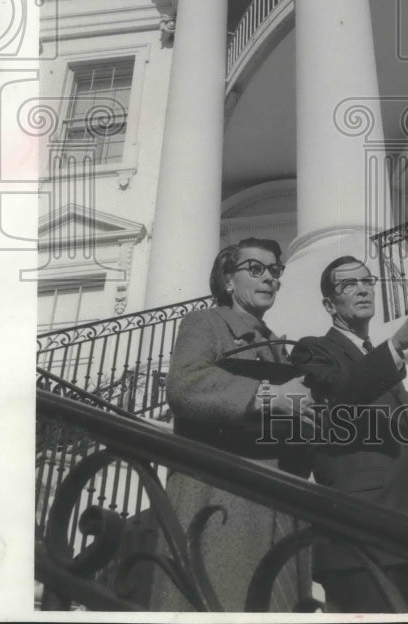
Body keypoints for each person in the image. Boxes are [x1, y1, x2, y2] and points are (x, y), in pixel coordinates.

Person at [150, 237, 316, 612]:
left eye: (275, 271)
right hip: (221, 497)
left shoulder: (276, 343)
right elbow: (185, 384)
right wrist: (270, 396)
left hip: (279, 496)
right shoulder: (205, 322)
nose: (269, 278)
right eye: (255, 269)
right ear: (228, 280)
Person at [290, 255, 408, 613]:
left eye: (366, 281)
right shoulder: (312, 349)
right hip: (362, 536)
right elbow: (337, 403)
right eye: (348, 284)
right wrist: (395, 346)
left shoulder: (376, 358)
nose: (362, 288)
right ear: (330, 304)